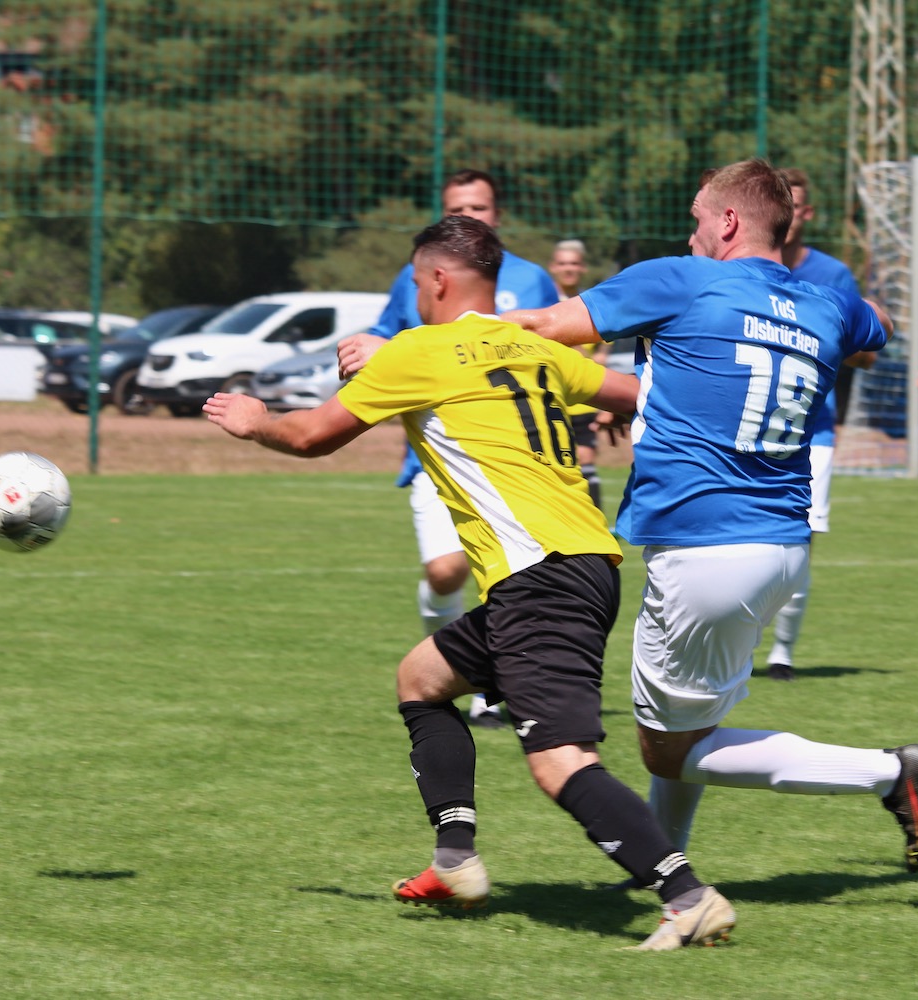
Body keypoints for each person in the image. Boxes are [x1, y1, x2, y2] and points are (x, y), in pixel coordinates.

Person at [206, 215, 736, 951]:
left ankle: (687, 896)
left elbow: (310, 435)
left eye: (415, 282)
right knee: (421, 679)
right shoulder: (535, 347)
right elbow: (635, 393)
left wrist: (256, 418)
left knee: (560, 764)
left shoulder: (416, 352)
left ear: (436, 279)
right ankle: (455, 859)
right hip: (584, 562)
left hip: (540, 578)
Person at [504, 159, 918, 875]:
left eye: (699, 217)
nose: (691, 233)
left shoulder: (682, 279)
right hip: (780, 548)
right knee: (690, 726)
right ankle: (663, 866)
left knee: (667, 750)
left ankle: (889, 773)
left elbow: (544, 326)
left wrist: (410, 350)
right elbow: (880, 325)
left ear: (729, 221)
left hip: (705, 547)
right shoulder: (827, 303)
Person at [338, 169, 560, 729]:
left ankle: (489, 691)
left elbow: (554, 349)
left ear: (497, 214)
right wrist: (371, 351)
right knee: (444, 571)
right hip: (438, 455)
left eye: (478, 208)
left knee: (507, 572)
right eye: (457, 209)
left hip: (514, 460)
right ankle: (449, 663)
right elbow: (388, 340)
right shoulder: (414, 276)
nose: (469, 217)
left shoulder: (531, 280)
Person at [762, 169, 877, 682]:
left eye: (797, 205)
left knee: (799, 541)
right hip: (741, 425)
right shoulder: (737, 268)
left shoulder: (832, 274)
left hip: (813, 431)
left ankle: (782, 652)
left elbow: (867, 354)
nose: (789, 213)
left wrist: (817, 338)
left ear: (806, 214)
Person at [548, 239, 607, 509]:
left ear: (583, 268)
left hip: (583, 400)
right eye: (562, 263)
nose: (568, 269)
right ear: (553, 267)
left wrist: (596, 354)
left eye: (573, 263)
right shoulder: (542, 303)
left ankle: (596, 523)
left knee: (585, 460)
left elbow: (602, 352)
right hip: (549, 397)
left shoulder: (592, 305)